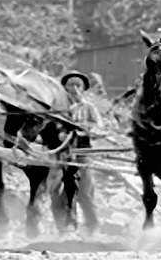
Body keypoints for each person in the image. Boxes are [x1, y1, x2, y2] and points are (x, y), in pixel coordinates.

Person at [56, 71, 101, 235]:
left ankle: (92, 226)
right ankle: (68, 226)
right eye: (70, 85)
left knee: (85, 191)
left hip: (83, 151)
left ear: (83, 89)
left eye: (78, 85)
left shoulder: (89, 108)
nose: (74, 89)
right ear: (64, 88)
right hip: (63, 153)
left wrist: (83, 129)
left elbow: (98, 128)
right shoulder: (58, 108)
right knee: (64, 192)